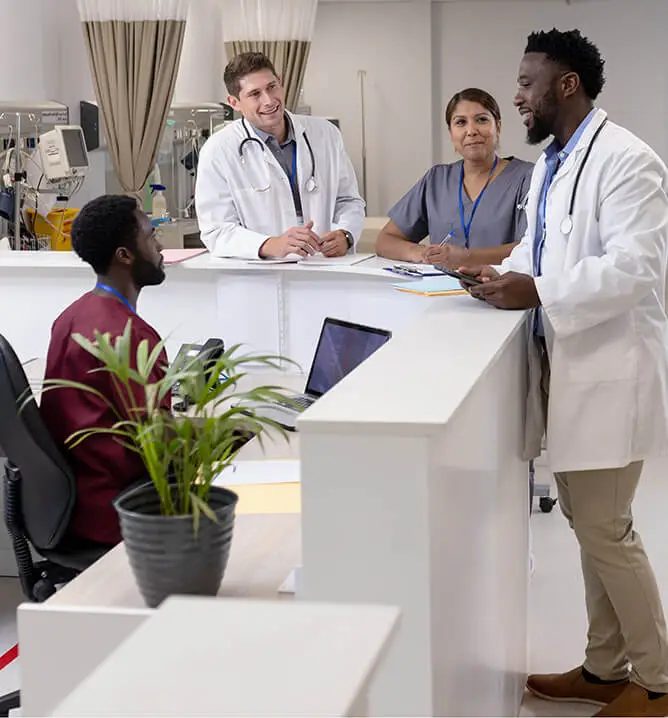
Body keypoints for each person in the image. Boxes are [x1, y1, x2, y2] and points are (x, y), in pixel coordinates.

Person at [463, 29, 668, 717]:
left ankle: (659, 680)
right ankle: (607, 667)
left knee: (607, 527)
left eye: (527, 82)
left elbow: (638, 267)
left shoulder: (628, 160)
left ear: (566, 84)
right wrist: (505, 272)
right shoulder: (556, 162)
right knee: (586, 520)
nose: (517, 95)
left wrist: (540, 289)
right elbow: (541, 244)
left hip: (614, 366)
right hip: (569, 366)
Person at [40, 195, 169, 548]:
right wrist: (230, 437)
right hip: (119, 510)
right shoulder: (130, 336)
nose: (159, 245)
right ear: (124, 255)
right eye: (149, 235)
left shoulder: (71, 316)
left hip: (76, 505)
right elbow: (159, 443)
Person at [195, 52, 365, 260]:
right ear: (234, 103)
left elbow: (349, 200)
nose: (268, 100)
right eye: (255, 94)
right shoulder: (218, 150)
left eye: (272, 87)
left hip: (325, 268)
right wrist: (271, 245)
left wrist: (346, 234)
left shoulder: (325, 134)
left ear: (281, 83)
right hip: (261, 278)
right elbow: (216, 230)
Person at [375, 88, 533, 268]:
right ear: (451, 133)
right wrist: (422, 253)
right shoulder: (437, 180)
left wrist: (466, 257)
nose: (471, 131)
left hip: (499, 291)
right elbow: (385, 240)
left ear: (498, 126)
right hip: (439, 290)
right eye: (460, 122)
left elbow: (532, 249)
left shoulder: (527, 178)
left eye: (482, 120)